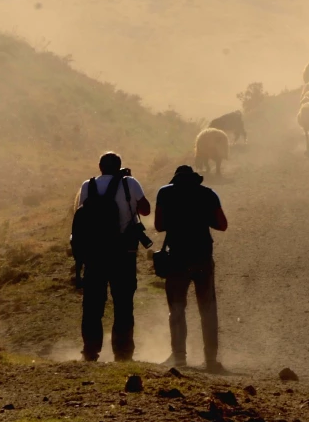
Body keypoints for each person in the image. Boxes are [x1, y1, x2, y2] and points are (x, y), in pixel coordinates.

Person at [74, 152, 150, 363]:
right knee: (123, 304)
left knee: (92, 306)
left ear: (100, 167)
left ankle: (90, 351)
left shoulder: (87, 185)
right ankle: (123, 353)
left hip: (94, 254)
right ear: (119, 167)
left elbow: (82, 216)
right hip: (123, 254)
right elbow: (145, 210)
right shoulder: (129, 183)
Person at [155, 165, 229, 373]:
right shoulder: (208, 194)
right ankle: (211, 359)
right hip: (203, 256)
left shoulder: (165, 193)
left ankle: (179, 357)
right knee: (208, 309)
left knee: (177, 308)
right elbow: (222, 224)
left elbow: (159, 226)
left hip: (177, 257)